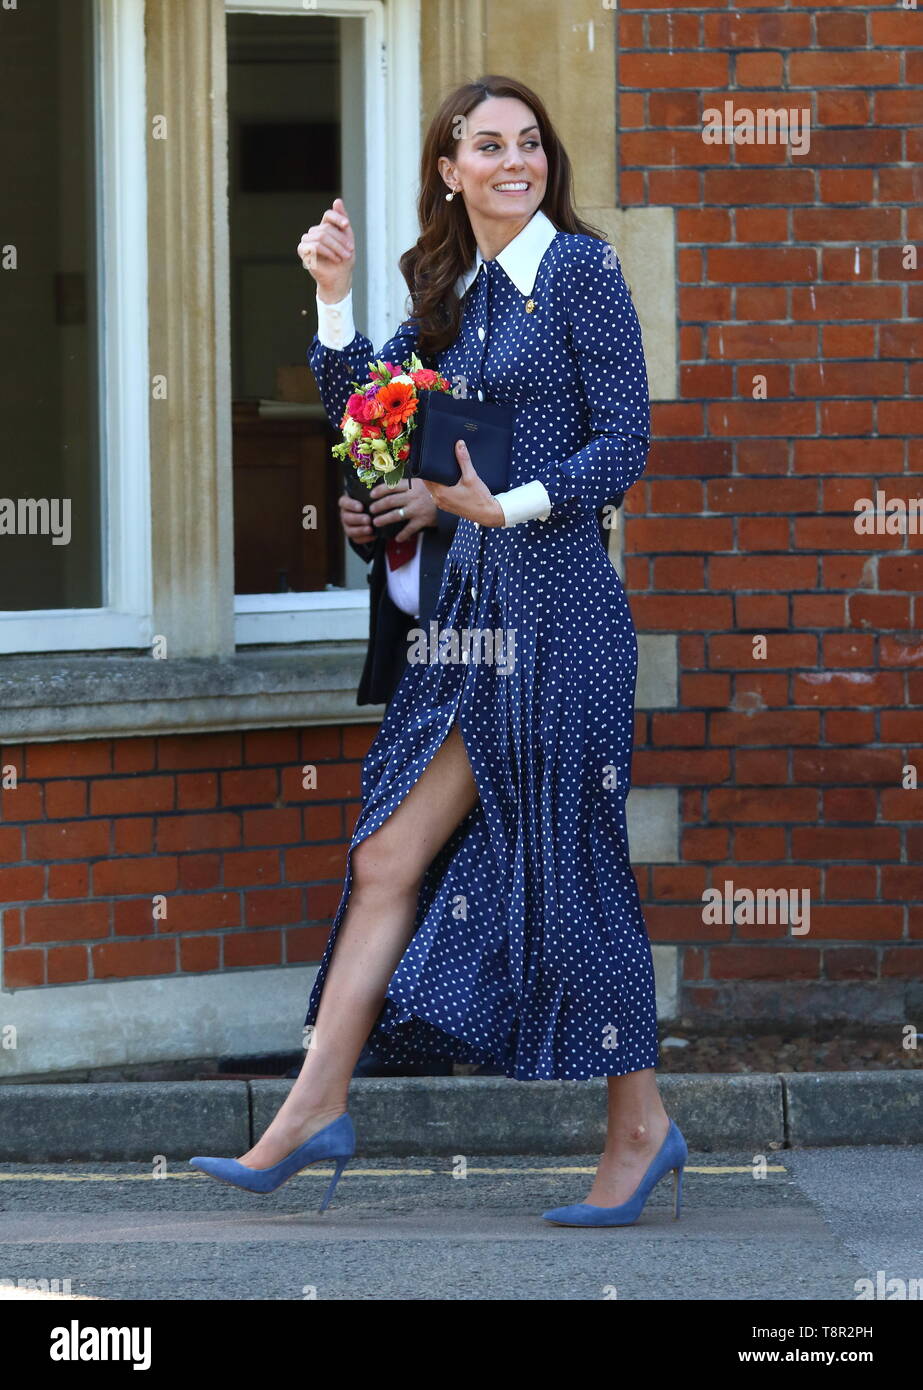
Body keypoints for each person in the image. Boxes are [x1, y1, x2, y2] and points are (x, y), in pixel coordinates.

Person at [190, 74, 687, 1227]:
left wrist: (496, 506)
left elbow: (624, 444)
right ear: (448, 169)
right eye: (487, 145)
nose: (514, 162)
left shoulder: (581, 274)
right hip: (465, 629)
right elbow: (386, 429)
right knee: (383, 859)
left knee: (575, 870)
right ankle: (313, 1109)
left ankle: (639, 1126)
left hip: (560, 623)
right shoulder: (456, 289)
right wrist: (330, 303)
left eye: (529, 143)